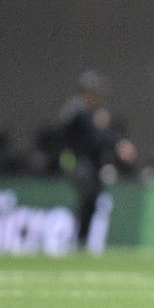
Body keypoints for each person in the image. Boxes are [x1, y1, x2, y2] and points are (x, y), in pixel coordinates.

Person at [59, 70, 135, 250]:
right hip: (77, 161)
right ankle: (78, 238)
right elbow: (93, 133)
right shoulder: (77, 110)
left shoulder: (93, 111)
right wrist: (118, 143)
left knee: (92, 200)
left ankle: (82, 240)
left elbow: (101, 135)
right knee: (88, 196)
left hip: (93, 164)